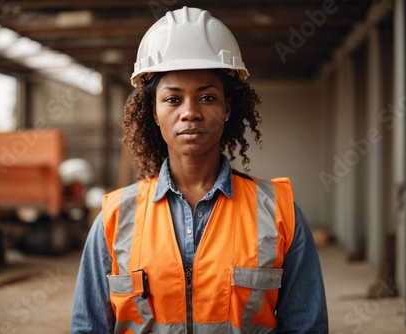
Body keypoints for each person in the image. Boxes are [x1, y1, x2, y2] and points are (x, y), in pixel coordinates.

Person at [71, 6, 328, 334]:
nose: (190, 112)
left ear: (227, 108)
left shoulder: (279, 213)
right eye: (173, 100)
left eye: (207, 97)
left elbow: (306, 327)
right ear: (153, 111)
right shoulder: (114, 218)